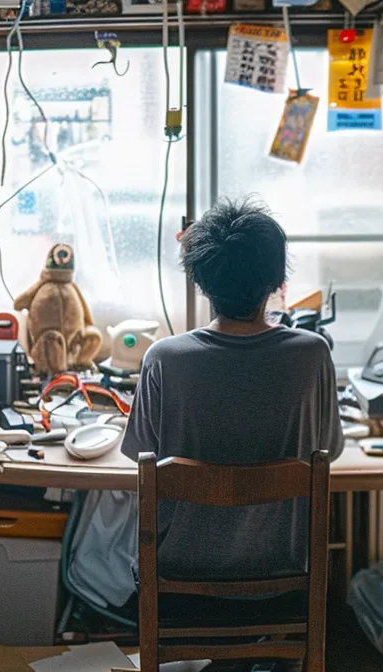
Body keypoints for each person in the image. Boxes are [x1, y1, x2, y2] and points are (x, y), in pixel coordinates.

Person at [120, 197, 342, 582]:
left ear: (200, 281)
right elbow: (330, 451)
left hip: (175, 584)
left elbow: (139, 457)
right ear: (276, 281)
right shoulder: (313, 354)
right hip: (282, 583)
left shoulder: (164, 359)